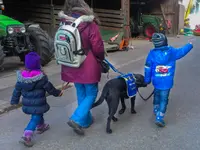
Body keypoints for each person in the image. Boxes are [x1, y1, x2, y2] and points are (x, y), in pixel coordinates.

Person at [59, 0, 105, 135]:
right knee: (91, 93)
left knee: (81, 91)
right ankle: (77, 118)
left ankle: (85, 120)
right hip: (88, 63)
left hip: (71, 63)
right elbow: (97, 46)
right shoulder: (89, 24)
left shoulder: (64, 22)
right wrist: (101, 59)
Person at [10, 52, 63, 147]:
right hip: (38, 102)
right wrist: (58, 93)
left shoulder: (21, 78)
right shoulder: (41, 78)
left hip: (27, 103)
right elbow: (50, 88)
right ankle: (27, 134)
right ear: (38, 64)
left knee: (38, 114)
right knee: (36, 116)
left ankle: (41, 126)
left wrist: (14, 101)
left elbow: (16, 90)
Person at [144, 33, 193, 127]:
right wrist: (189, 45)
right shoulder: (171, 52)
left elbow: (148, 67)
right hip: (167, 83)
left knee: (157, 95)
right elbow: (182, 51)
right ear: (165, 41)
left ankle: (155, 109)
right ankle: (159, 117)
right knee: (164, 99)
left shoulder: (152, 54)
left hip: (156, 81)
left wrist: (147, 80)